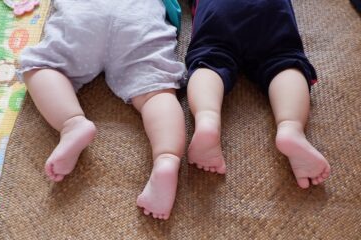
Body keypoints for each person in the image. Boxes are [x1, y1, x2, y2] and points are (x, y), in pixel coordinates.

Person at [18, 0, 186, 220]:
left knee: (41, 67)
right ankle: (166, 158)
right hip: (140, 18)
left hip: (85, 16)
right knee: (155, 92)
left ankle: (72, 123)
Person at [185, 0, 331, 188]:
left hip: (219, 10)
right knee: (283, 59)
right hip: (269, 7)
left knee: (210, 60)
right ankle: (291, 128)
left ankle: (207, 120)